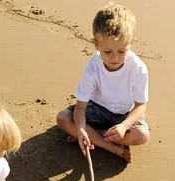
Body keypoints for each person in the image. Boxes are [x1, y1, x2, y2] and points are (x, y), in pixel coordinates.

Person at [56, 3, 149, 163]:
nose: (115, 58)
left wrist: (124, 126)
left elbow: (141, 106)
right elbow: (80, 107)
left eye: (122, 51)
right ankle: (111, 147)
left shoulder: (138, 68)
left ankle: (93, 135)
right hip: (97, 108)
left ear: (132, 43)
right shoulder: (93, 67)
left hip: (123, 114)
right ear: (96, 44)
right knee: (63, 118)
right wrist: (80, 128)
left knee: (141, 136)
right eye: (107, 52)